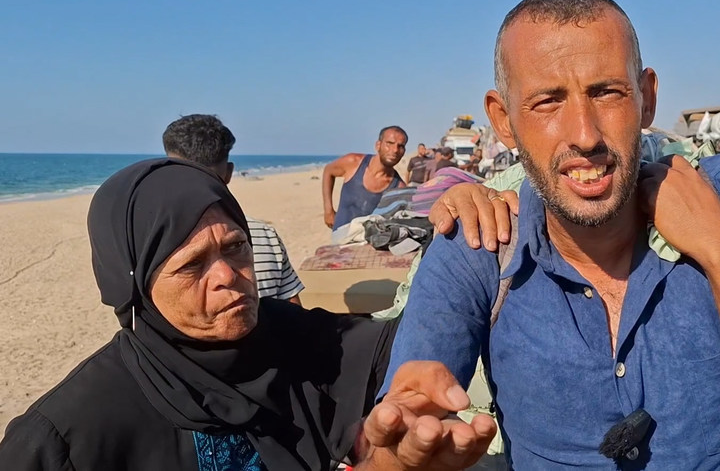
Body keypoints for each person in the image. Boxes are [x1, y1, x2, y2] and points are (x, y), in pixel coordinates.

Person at [381, 0, 720, 469]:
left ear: (647, 97)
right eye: (548, 101)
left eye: (607, 93)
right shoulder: (479, 242)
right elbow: (400, 423)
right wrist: (400, 452)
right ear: (504, 119)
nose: (585, 135)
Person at [0, 158, 495, 470]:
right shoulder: (70, 435)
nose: (227, 275)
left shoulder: (292, 338)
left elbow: (406, 340)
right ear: (131, 283)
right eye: (192, 265)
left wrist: (461, 224)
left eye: (235, 248)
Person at [163, 114, 304, 305]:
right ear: (228, 173)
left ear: (168, 173)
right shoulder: (264, 235)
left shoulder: (155, 243)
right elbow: (294, 315)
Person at [323, 126, 407, 231]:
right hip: (339, 237)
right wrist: (328, 210)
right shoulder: (353, 163)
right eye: (389, 143)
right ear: (378, 145)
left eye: (400, 146)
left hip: (367, 243)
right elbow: (328, 171)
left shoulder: (398, 188)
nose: (395, 150)